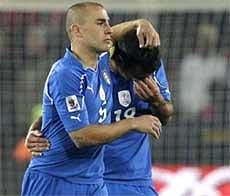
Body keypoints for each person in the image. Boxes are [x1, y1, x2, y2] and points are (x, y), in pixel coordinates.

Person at [21, 2, 162, 196]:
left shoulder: (101, 62)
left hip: (93, 181)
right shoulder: (66, 74)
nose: (108, 30)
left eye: (108, 23)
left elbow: (55, 113)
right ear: (77, 31)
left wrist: (140, 23)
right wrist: (133, 123)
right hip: (56, 181)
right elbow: (81, 136)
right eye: (100, 23)